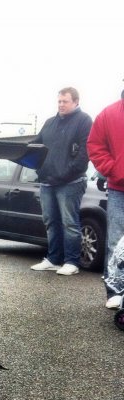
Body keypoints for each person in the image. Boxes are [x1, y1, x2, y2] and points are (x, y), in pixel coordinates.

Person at [29, 87, 92, 276]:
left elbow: (84, 153)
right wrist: (39, 168)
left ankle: (72, 262)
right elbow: (35, 146)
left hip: (71, 182)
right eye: (59, 101)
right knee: (50, 221)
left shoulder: (84, 121)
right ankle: (53, 259)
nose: (61, 105)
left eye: (65, 101)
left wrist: (66, 173)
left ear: (76, 102)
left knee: (69, 223)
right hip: (48, 181)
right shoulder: (49, 123)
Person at [87, 92, 124, 309]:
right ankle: (115, 291)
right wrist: (113, 169)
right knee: (116, 241)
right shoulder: (108, 114)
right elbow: (95, 145)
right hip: (119, 188)